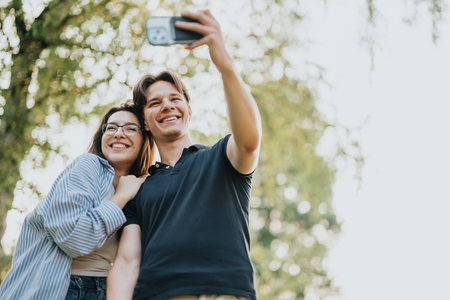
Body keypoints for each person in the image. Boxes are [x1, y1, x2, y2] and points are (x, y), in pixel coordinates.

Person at [107, 10, 262, 300]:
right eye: (155, 103)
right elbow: (128, 261)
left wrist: (224, 63)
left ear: (188, 111)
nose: (167, 105)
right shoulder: (138, 189)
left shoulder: (222, 158)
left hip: (224, 293)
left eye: (175, 99)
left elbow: (250, 142)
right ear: (144, 121)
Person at [0, 101, 154, 300]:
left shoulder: (139, 188)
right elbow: (73, 237)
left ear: (144, 139)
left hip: (104, 289)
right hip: (62, 289)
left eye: (131, 128)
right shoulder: (88, 165)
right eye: (112, 127)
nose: (118, 133)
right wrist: (120, 197)